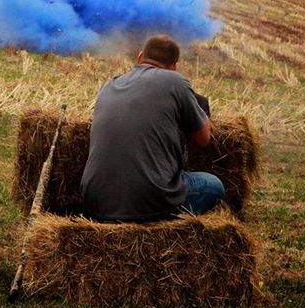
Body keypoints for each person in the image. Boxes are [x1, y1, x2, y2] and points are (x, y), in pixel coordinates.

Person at [81, 34, 225, 223]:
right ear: (174, 67)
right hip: (152, 200)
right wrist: (196, 109)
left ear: (140, 57)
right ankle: (161, 221)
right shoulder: (176, 81)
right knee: (213, 186)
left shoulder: (109, 85)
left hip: (95, 203)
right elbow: (203, 138)